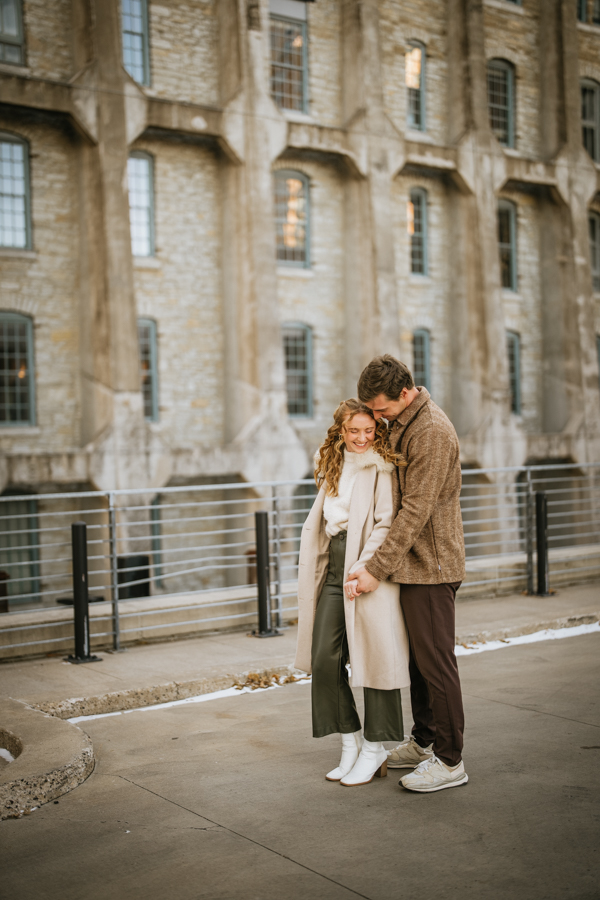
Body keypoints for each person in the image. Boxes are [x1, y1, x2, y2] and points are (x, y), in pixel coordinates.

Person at [347, 354, 468, 794]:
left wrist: (375, 568)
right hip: (411, 566)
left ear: (405, 392)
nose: (376, 419)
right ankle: (424, 741)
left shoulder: (431, 431)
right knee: (418, 662)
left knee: (436, 665)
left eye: (380, 410)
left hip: (432, 566)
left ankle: (451, 760)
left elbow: (416, 509)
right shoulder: (403, 420)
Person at [295, 399, 410, 786]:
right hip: (333, 562)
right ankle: (351, 742)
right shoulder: (330, 461)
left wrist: (366, 566)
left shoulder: (381, 464)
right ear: (340, 432)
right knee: (324, 657)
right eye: (354, 431)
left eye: (369, 430)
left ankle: (377, 748)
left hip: (367, 563)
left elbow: (386, 521)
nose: (362, 438)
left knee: (376, 658)